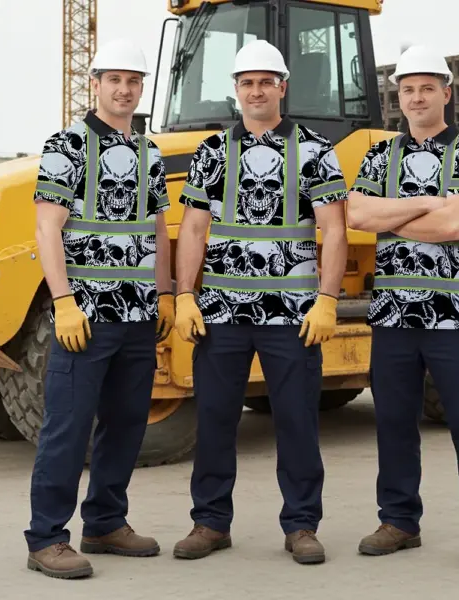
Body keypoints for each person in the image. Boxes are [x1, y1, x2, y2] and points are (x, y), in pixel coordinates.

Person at [172, 39, 348, 565]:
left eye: (265, 82)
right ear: (235, 90)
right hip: (221, 314)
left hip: (293, 316)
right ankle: (209, 523)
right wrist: (184, 295)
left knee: (297, 421)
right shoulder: (211, 152)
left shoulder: (314, 150)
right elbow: (193, 228)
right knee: (215, 420)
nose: (256, 91)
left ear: (282, 88)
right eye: (247, 82)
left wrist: (327, 299)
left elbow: (335, 230)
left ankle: (302, 525)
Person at [347, 45, 459, 571]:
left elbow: (457, 225)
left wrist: (392, 216)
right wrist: (425, 203)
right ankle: (399, 521)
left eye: (426, 88)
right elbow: (357, 215)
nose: (416, 98)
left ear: (446, 92)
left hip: (455, 317)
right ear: (398, 97)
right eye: (407, 89)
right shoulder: (379, 156)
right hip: (393, 316)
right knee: (394, 424)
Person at [25, 38, 173, 579]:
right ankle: (46, 538)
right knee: (68, 426)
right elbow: (47, 228)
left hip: (137, 315)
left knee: (126, 423)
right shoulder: (66, 145)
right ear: (95, 84)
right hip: (84, 316)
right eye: (115, 80)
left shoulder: (149, 152)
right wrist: (64, 302)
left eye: (134, 81)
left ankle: (106, 522)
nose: (125, 90)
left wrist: (164, 293)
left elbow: (157, 227)